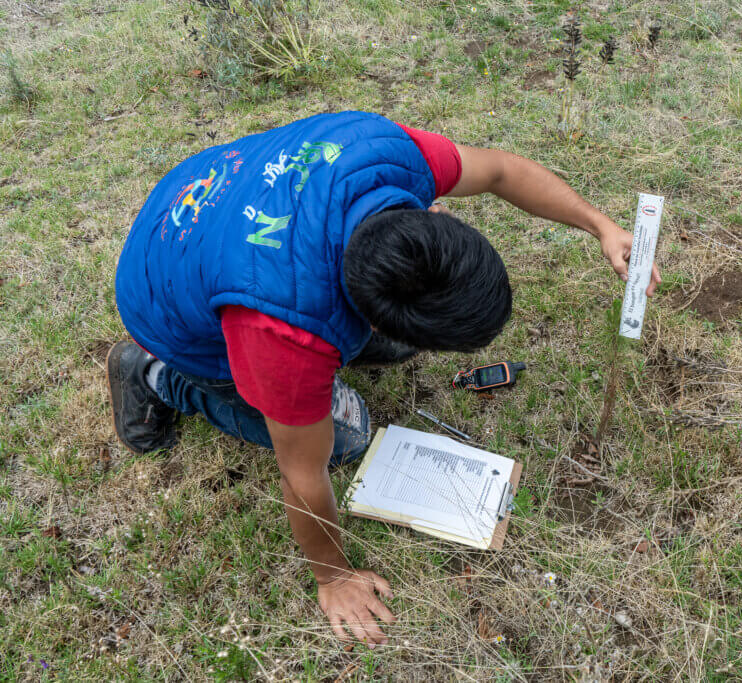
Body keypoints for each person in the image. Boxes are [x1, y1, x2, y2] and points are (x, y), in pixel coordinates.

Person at [108, 110, 660, 648]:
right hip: (165, 287)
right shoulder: (284, 334)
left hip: (206, 197)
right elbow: (301, 474)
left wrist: (601, 226)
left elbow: (499, 172)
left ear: (437, 215)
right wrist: (332, 577)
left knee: (391, 352)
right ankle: (154, 375)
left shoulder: (387, 155)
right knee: (345, 438)